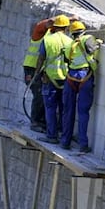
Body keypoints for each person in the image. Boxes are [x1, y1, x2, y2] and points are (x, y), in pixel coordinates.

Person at [60, 21, 102, 153]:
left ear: (72, 33)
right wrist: (99, 43)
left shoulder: (69, 45)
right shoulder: (88, 38)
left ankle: (65, 141)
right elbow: (91, 48)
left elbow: (67, 60)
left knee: (68, 111)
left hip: (71, 77)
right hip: (85, 77)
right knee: (83, 112)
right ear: (83, 30)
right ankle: (83, 144)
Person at [35, 15, 73, 144]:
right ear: (66, 27)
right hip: (66, 79)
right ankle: (63, 135)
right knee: (64, 108)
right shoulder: (70, 41)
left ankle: (52, 136)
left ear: (54, 26)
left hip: (50, 78)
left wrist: (37, 73)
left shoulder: (48, 40)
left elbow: (41, 58)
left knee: (50, 107)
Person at [23, 16, 56, 132]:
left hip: (41, 70)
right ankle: (35, 122)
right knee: (38, 94)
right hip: (31, 69)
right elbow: (43, 25)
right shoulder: (39, 33)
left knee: (43, 95)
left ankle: (41, 122)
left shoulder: (53, 37)